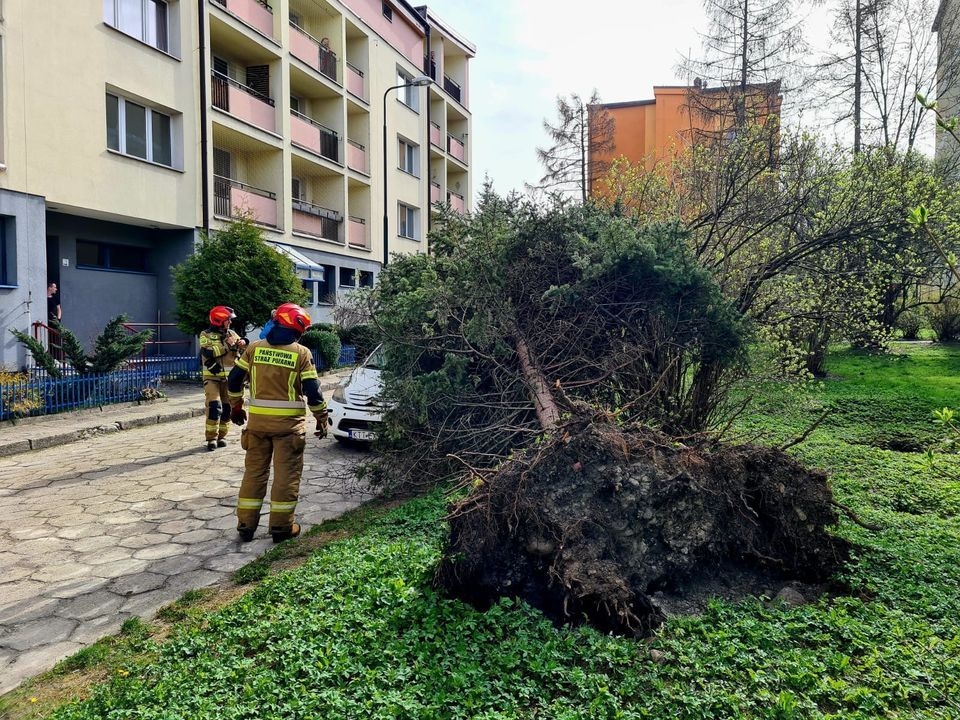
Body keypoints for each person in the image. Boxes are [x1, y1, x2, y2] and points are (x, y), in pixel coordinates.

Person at [228, 302, 328, 543]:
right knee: (286, 476)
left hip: (257, 427)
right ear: (298, 328)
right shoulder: (301, 353)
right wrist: (321, 418)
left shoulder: (254, 348)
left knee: (254, 474)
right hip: (288, 429)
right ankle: (282, 527)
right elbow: (313, 392)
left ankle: (246, 525)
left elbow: (234, 379)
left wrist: (236, 406)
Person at [199, 306, 247, 451]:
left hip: (229, 379)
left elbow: (241, 346)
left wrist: (243, 342)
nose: (230, 323)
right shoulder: (205, 334)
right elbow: (207, 352)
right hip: (212, 378)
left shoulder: (231, 333)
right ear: (219, 320)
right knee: (214, 407)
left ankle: (222, 437)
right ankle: (211, 438)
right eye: (228, 320)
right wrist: (227, 345)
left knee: (227, 409)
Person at [46, 282, 62, 360]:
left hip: (53, 321)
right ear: (50, 288)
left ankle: (55, 357)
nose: (56, 289)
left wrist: (58, 319)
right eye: (54, 287)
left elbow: (59, 309)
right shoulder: (43, 297)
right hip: (46, 321)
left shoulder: (55, 298)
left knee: (55, 338)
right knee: (47, 338)